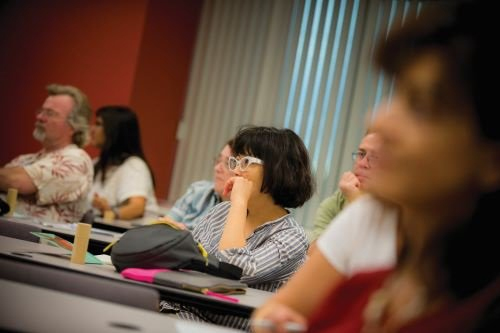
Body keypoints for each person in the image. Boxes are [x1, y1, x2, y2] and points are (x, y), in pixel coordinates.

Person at [253, 2, 500, 332]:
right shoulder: (372, 287)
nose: (378, 119)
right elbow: (277, 312)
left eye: (421, 106)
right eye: (395, 94)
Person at [164, 126, 315, 331]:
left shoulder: (292, 237)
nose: (235, 170)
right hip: (179, 311)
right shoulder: (220, 212)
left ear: (277, 170)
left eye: (246, 162)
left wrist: (238, 203)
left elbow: (233, 270)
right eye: (235, 161)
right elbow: (186, 259)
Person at [0, 84, 93, 223]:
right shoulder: (24, 159)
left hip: (43, 242)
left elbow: (15, 182)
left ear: (74, 126)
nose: (40, 117)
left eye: (50, 113)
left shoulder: (77, 161)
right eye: (41, 111)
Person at [88, 106, 158, 220]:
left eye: (98, 124)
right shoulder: (96, 164)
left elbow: (137, 207)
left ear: (114, 131)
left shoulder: (134, 166)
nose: (92, 129)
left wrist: (109, 213)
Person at [310, 132, 382, 242]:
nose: (362, 163)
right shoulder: (339, 199)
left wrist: (355, 201)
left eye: (375, 157)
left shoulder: (401, 210)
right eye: (361, 154)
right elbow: (315, 253)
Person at [164, 139, 233, 229]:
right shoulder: (198, 190)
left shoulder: (243, 214)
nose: (217, 168)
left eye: (227, 163)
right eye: (218, 160)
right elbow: (166, 224)